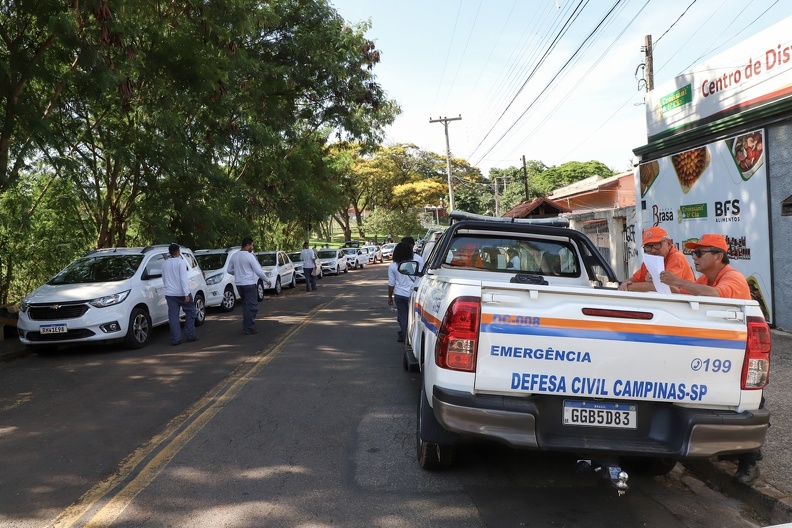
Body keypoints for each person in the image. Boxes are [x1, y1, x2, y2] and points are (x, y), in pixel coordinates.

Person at [659, 233, 761, 485]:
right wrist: (667, 286)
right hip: (721, 347)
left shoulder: (732, 278)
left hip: (739, 350)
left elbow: (714, 295)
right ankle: (735, 452)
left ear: (718, 256)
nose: (694, 257)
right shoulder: (707, 277)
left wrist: (676, 280)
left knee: (747, 404)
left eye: (699, 253)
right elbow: (688, 292)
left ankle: (750, 462)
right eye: (693, 252)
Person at [619, 227, 694, 292]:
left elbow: (666, 287)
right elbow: (634, 279)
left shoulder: (677, 258)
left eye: (657, 244)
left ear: (668, 244)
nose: (653, 250)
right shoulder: (652, 259)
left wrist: (629, 287)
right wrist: (625, 284)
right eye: (648, 247)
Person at [228, 237, 270, 335]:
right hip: (249, 284)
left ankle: (246, 325)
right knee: (253, 306)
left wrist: (238, 273)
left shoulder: (234, 256)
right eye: (251, 245)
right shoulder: (249, 256)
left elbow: (229, 270)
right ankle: (249, 327)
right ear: (247, 245)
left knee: (246, 305)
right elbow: (258, 271)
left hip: (239, 284)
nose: (252, 247)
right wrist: (267, 280)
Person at [162, 243, 197, 346]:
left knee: (173, 316)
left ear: (169, 252)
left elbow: (164, 278)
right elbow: (183, 279)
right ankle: (190, 335)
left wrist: (167, 288)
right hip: (181, 292)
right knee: (190, 311)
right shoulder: (181, 262)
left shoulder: (164, 263)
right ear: (178, 251)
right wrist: (186, 293)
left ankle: (175, 339)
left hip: (170, 293)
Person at [388, 242, 415, 343]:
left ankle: (405, 338)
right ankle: (412, 338)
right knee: (412, 318)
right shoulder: (412, 263)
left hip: (399, 294)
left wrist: (389, 296)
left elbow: (391, 284)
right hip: (411, 294)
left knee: (403, 317)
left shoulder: (392, 266)